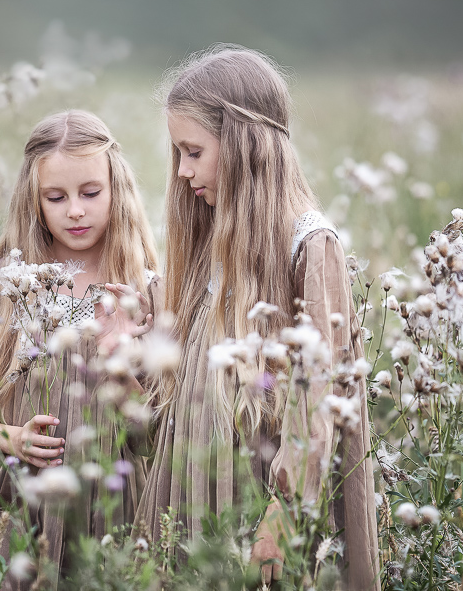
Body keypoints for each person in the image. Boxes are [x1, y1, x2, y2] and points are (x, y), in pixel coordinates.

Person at [135, 45, 380, 590]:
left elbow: (318, 397)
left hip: (261, 510)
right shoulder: (213, 242)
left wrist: (282, 512)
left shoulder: (309, 247)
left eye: (193, 151)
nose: (182, 171)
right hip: (200, 500)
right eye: (179, 153)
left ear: (245, 146)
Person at [0, 109, 161, 590]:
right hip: (13, 506)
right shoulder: (2, 282)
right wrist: (10, 438)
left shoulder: (146, 291)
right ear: (32, 201)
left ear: (117, 190)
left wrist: (121, 369)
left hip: (112, 511)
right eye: (56, 197)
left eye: (91, 193)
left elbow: (162, 435)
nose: (75, 210)